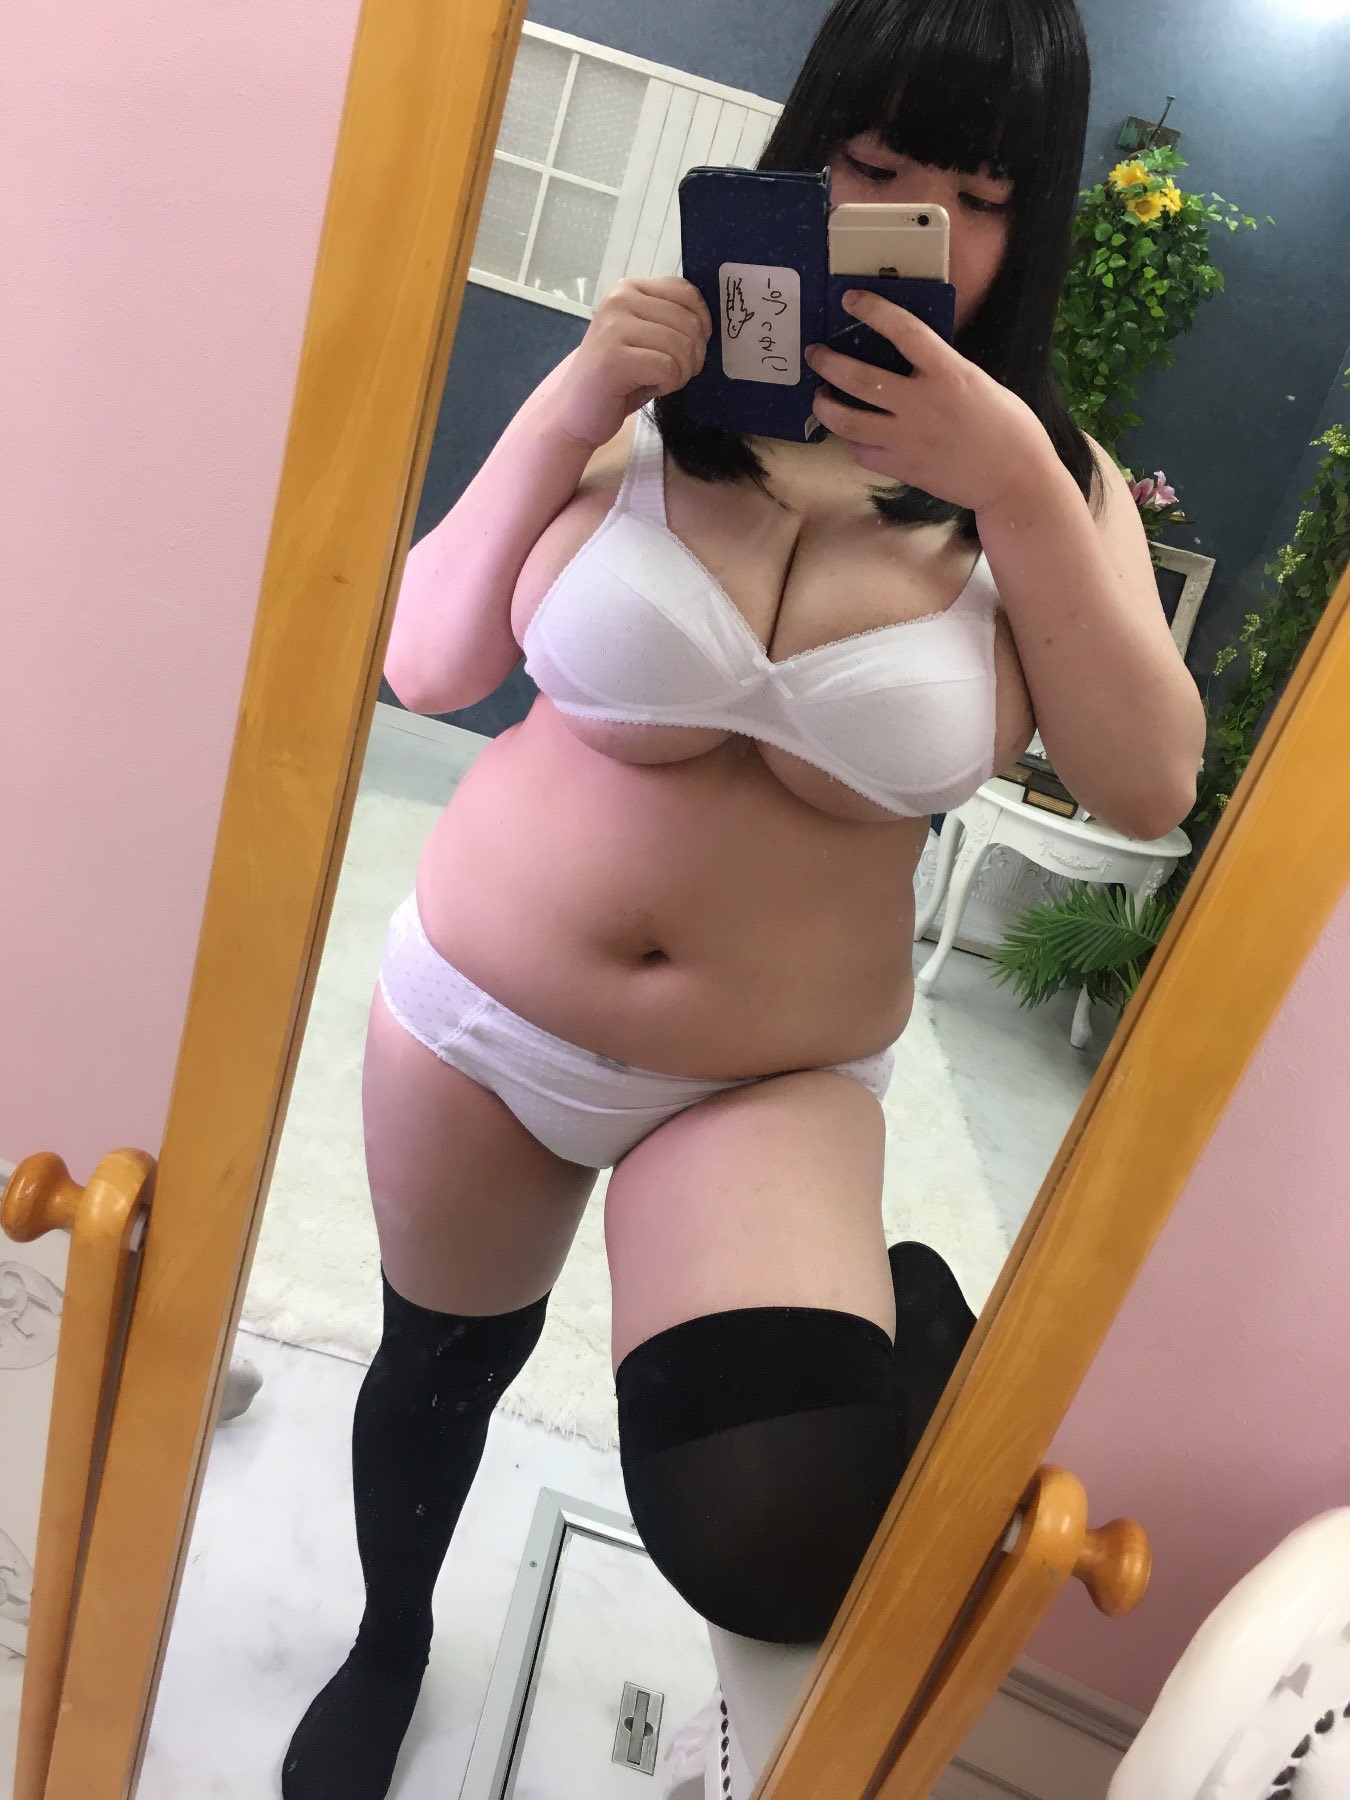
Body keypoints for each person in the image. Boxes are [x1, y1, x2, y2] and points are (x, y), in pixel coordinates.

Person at [282, 1, 1205, 1795]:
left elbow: (1147, 784)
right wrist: (578, 396)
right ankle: (389, 1637)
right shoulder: (644, 393)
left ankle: (888, 1316)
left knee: (769, 1532)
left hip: (765, 1084)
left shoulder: (1048, 480)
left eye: (978, 197)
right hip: (484, 1016)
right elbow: (426, 661)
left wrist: (1012, 482)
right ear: (802, 153)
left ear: (1032, 220)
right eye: (873, 169)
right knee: (436, 1369)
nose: (917, 228)